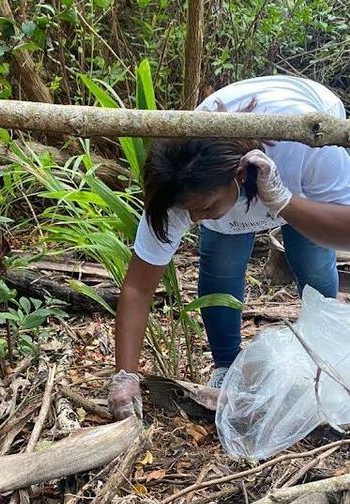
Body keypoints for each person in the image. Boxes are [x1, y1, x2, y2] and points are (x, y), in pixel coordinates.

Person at [107, 74, 350, 419]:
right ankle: (225, 365)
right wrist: (125, 375)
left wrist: (285, 203)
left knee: (310, 258)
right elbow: (137, 287)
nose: (194, 218)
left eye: (203, 208)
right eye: (187, 210)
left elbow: (346, 230)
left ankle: (328, 354)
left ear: (237, 175)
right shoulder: (178, 186)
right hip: (225, 178)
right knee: (220, 266)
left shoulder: (308, 150)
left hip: (300, 155)